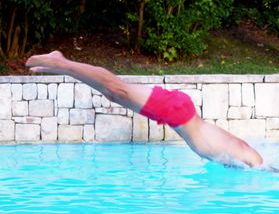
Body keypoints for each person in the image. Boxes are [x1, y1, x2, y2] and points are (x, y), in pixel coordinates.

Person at [26, 51, 264, 168]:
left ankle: (65, 68)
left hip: (175, 115)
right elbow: (247, 151)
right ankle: (61, 61)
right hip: (177, 112)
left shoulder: (235, 159)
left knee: (113, 93)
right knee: (116, 88)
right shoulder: (252, 158)